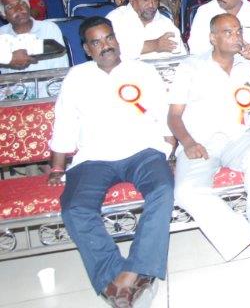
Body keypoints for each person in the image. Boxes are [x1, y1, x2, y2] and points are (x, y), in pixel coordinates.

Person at [48, 17, 173, 306]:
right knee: (74, 208)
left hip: (143, 150)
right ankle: (115, 277)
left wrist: (169, 151)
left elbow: (163, 113)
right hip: (94, 157)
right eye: (97, 42)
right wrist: (57, 167)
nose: (106, 46)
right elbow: (64, 123)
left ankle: (131, 273)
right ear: (86, 49)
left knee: (164, 190)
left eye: (109, 38)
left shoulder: (142, 70)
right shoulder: (76, 77)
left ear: (117, 39)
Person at [168, 14, 250, 265]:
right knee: (185, 191)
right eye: (228, 32)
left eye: (239, 31)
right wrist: (188, 142)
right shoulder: (191, 67)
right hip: (200, 141)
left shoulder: (246, 65)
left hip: (238, 136)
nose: (236, 37)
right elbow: (173, 116)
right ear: (212, 38)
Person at [107, 0, 186, 61]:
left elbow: (182, 58)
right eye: (145, 0)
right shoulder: (115, 19)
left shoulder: (166, 24)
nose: (151, 5)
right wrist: (155, 45)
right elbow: (108, 54)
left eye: (155, 0)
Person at [0, 0, 68, 81]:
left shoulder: (49, 28)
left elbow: (61, 70)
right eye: (10, 7)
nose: (18, 9)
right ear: (3, 14)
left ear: (28, 5)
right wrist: (8, 58)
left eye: (22, 3)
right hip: (13, 89)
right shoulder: (1, 34)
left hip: (49, 87)